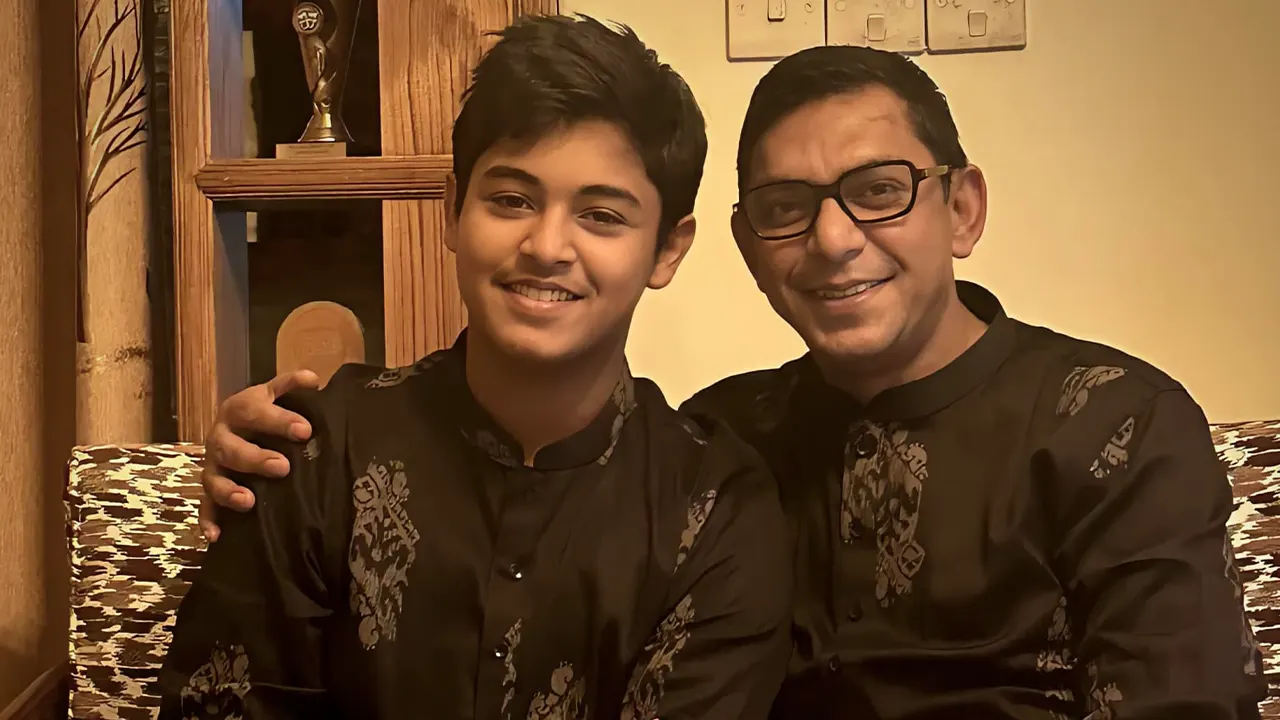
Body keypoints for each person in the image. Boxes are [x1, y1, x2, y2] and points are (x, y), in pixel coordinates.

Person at [198, 41, 1267, 719]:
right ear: (748, 247)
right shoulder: (726, 439)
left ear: (963, 209)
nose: (834, 240)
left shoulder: (1112, 424)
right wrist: (262, 451)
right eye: (787, 208)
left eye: (878, 190)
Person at [157, 15, 792, 720]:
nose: (547, 246)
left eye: (602, 216)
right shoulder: (315, 453)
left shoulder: (714, 509)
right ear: (453, 209)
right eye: (512, 200)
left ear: (667, 250)